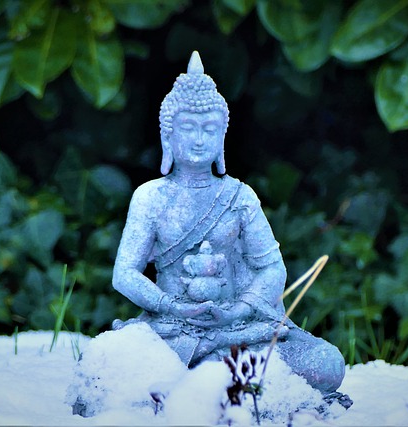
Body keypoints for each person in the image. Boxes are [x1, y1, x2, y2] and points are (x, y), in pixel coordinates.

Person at [112, 51, 348, 401]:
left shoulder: (239, 196)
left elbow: (272, 268)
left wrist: (240, 309)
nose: (198, 139)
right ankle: (222, 383)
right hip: (172, 328)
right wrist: (171, 306)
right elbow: (124, 274)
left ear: (222, 137)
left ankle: (209, 382)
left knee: (326, 364)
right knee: (113, 365)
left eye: (209, 130)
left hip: (237, 328)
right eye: (188, 128)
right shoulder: (150, 197)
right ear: (168, 137)